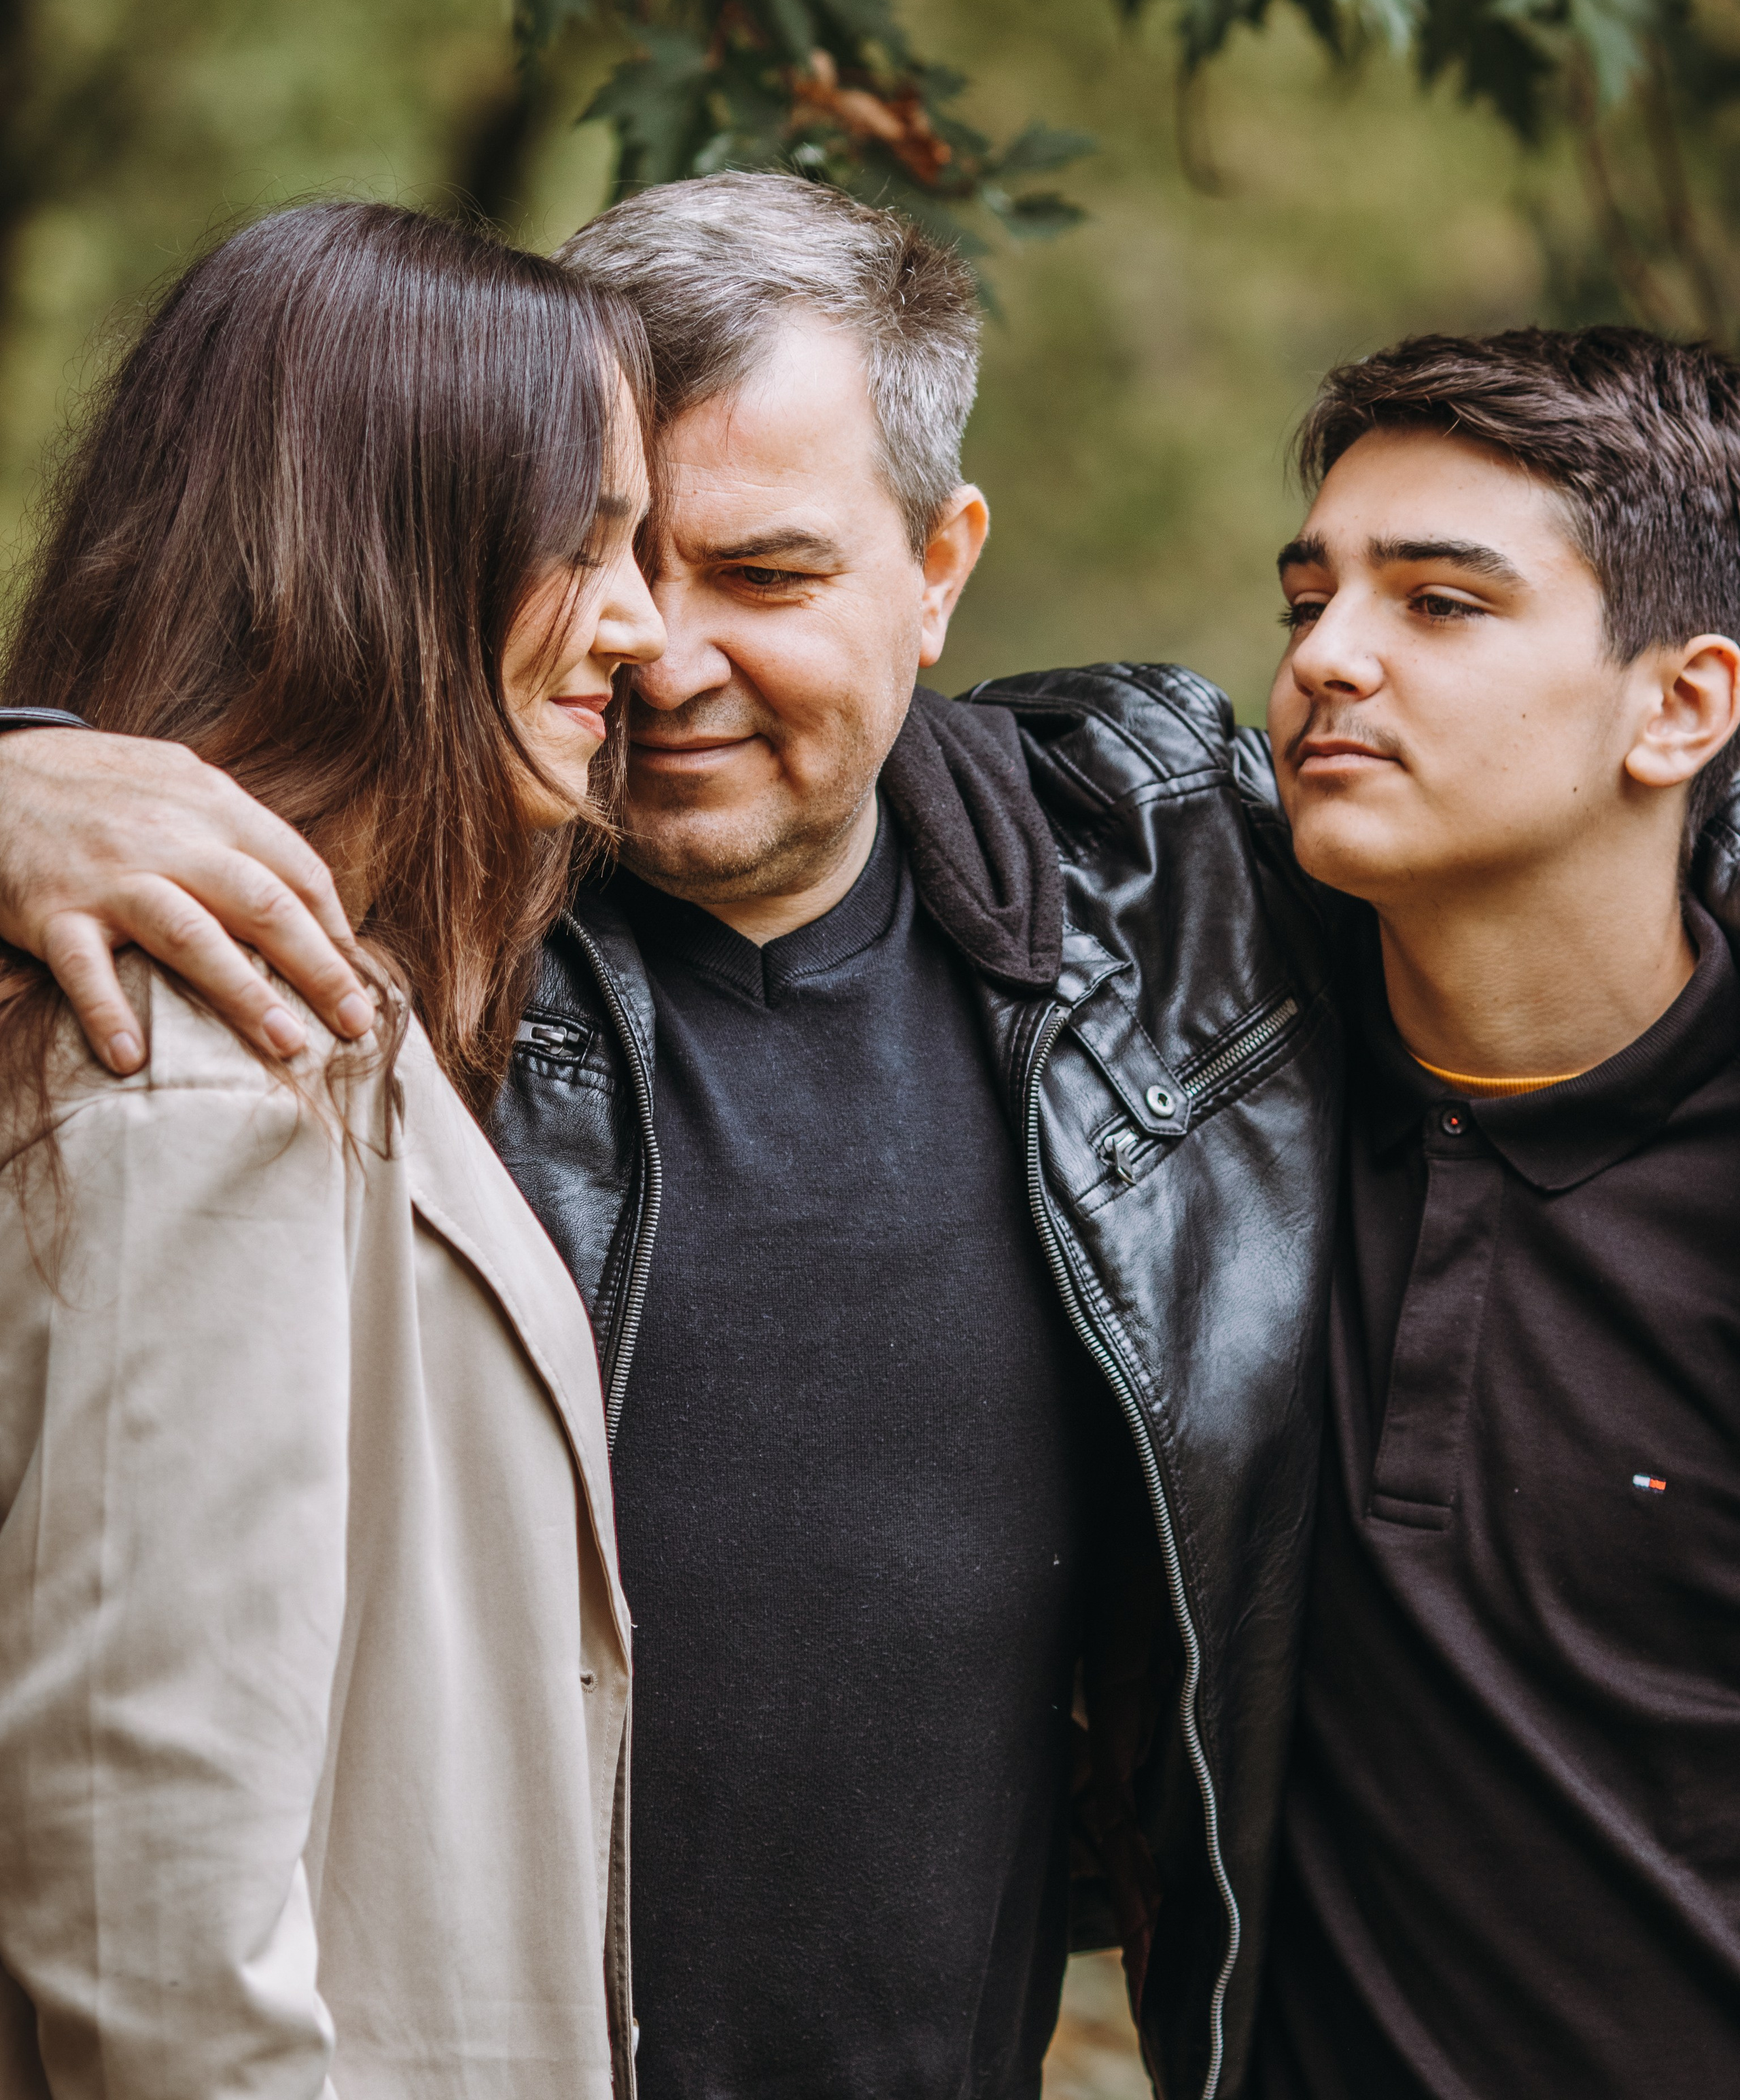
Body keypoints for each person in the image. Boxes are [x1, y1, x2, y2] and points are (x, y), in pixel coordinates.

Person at [0, 175, 1342, 2100]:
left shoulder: (1172, 896)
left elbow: (1619, 838)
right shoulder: (323, 946)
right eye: (611, 552)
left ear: (940, 564)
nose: (659, 647)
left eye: (764, 575)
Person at [0, 199, 667, 2099]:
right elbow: (153, 1913)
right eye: (588, 543)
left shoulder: (331, 1008)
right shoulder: (202, 1060)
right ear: (386, 549)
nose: (644, 626)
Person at [1251, 328, 1740, 2097]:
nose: (1326, 658)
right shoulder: (1190, 1105)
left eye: (1441, 604)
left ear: (1679, 708)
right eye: (1309, 600)